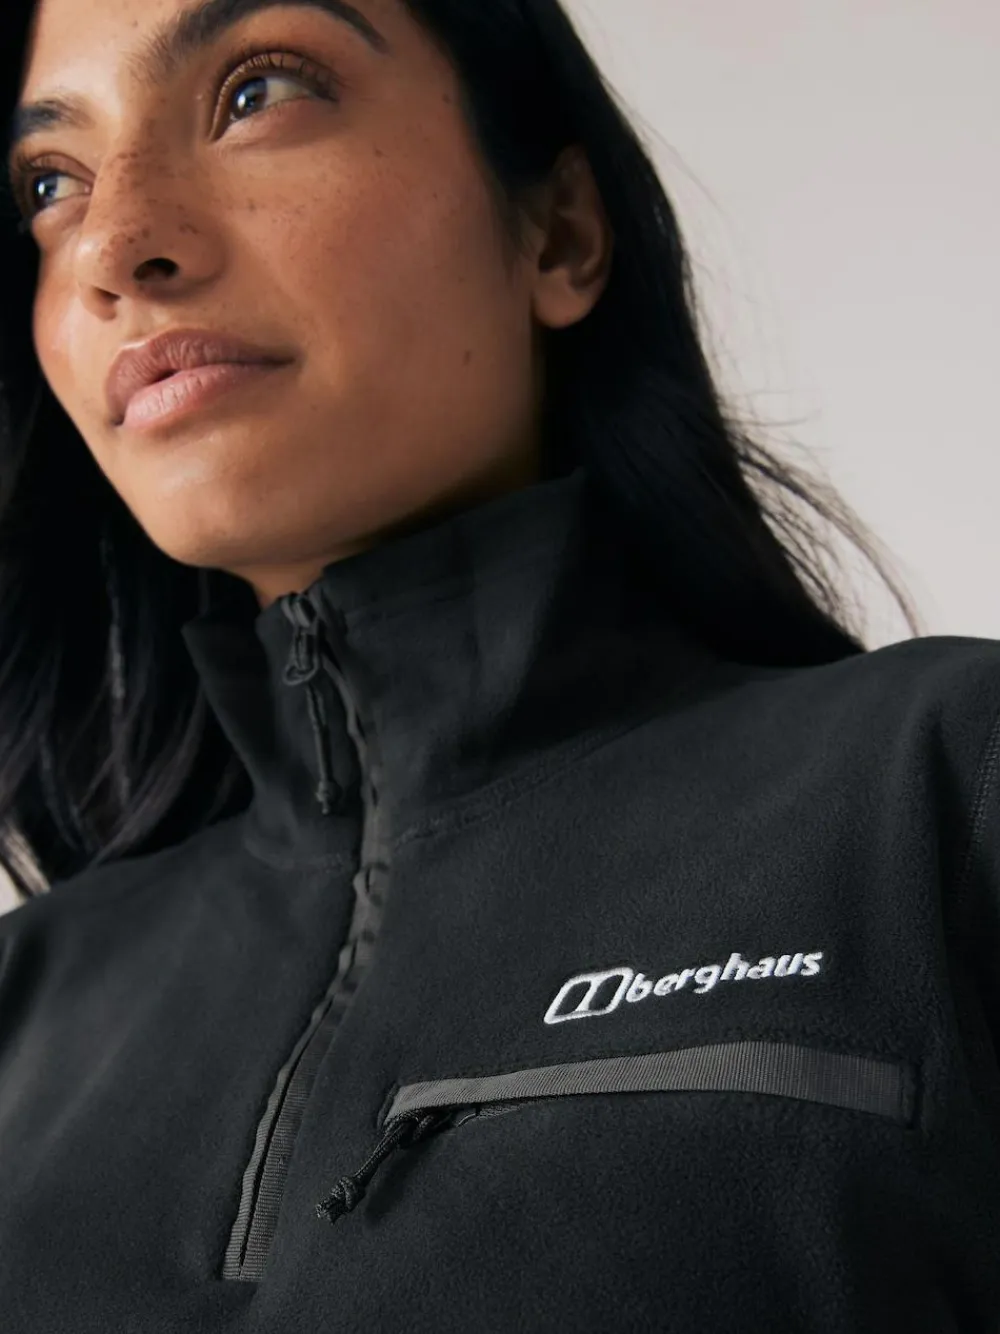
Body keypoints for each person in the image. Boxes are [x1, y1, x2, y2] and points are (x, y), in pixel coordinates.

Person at [0, 0, 997, 1329]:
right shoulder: (26, 1003)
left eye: (259, 92)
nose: (116, 245)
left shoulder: (942, 794)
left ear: (559, 232)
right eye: (49, 184)